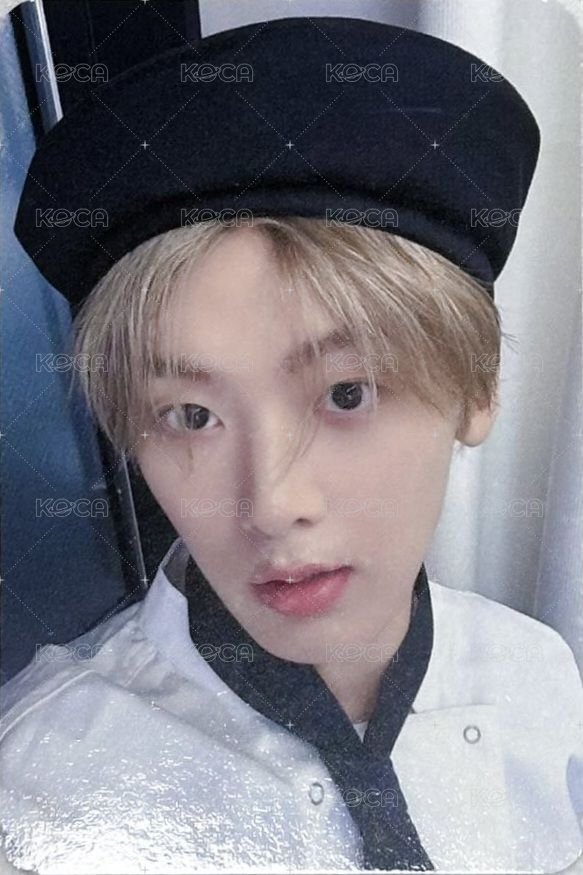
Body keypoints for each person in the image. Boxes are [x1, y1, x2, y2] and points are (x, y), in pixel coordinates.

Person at [2, 14, 582, 875]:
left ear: (475, 388)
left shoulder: (540, 676)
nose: (271, 504)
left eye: (347, 393)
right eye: (191, 414)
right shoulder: (36, 788)